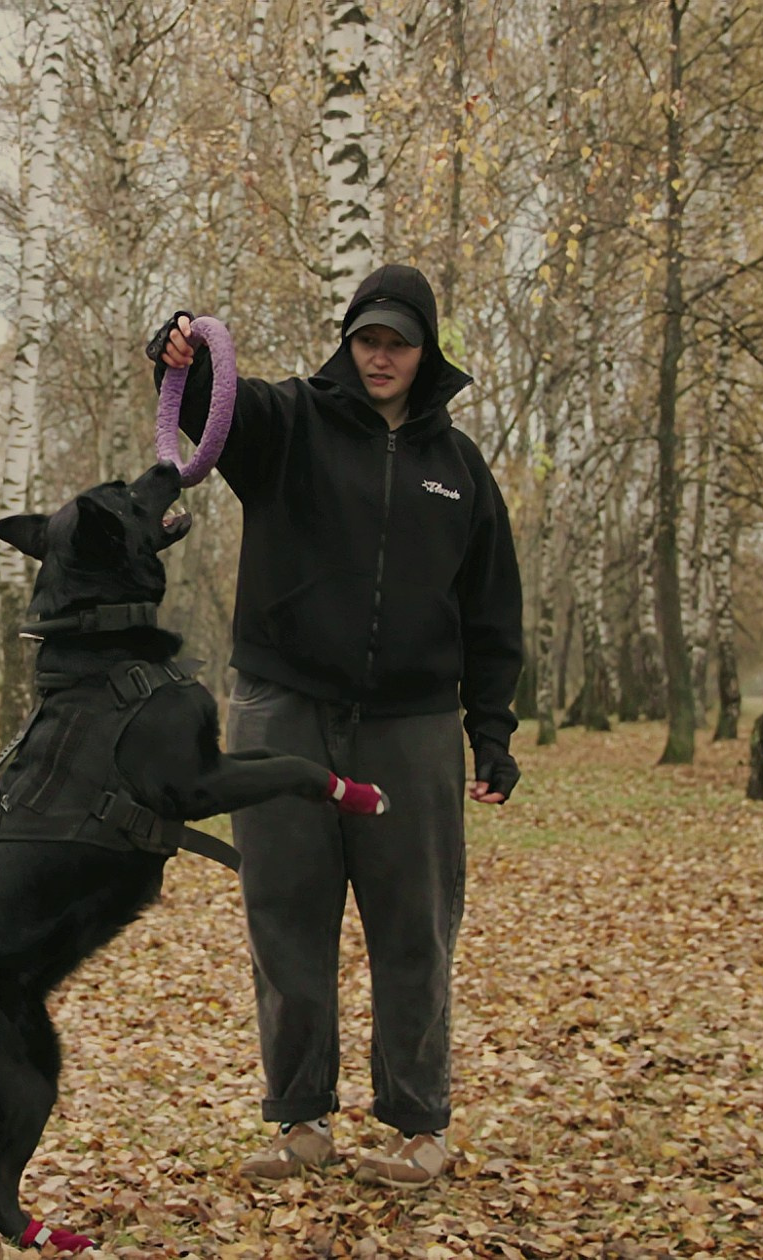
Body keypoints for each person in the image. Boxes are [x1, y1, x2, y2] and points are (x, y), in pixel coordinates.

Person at [145, 263, 523, 1188]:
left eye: (399, 340)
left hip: (414, 723)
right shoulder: (288, 425)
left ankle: (419, 1126)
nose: (382, 355)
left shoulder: (459, 468)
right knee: (286, 917)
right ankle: (302, 1119)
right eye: (367, 339)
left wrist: (494, 733)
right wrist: (179, 352)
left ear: (425, 349)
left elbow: (491, 613)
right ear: (348, 344)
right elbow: (207, 404)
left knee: (415, 927)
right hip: (284, 711)